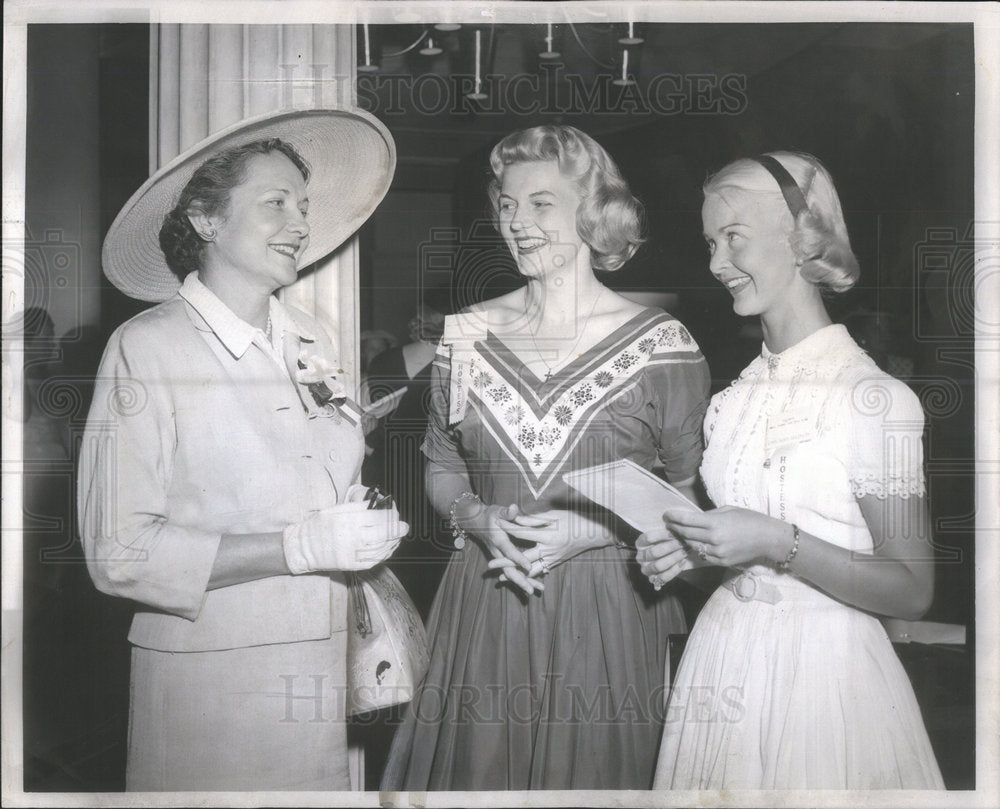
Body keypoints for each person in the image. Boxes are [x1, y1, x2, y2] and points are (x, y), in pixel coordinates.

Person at [78, 108, 407, 791]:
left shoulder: (310, 338)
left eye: (304, 205)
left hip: (322, 669)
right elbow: (119, 550)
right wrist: (296, 547)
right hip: (212, 683)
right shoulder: (148, 347)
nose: (300, 224)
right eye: (275, 203)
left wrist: (357, 521)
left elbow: (311, 486)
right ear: (205, 219)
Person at [381, 125, 711, 790]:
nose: (517, 222)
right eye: (506, 203)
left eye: (541, 204)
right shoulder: (466, 336)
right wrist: (477, 518)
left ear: (592, 211)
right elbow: (442, 468)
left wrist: (595, 532)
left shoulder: (664, 346)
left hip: (613, 608)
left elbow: (693, 498)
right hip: (487, 599)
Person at [638, 152, 944, 789]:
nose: (716, 263)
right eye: (710, 243)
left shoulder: (874, 398)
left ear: (800, 237)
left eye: (734, 239)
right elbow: (741, 562)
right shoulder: (732, 401)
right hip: (723, 662)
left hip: (826, 681)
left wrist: (781, 542)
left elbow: (912, 588)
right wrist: (690, 556)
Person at [362, 295, 453, 619]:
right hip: (436, 480)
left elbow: (368, 433)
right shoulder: (456, 367)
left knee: (389, 583)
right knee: (432, 585)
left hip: (386, 479)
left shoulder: (382, 362)